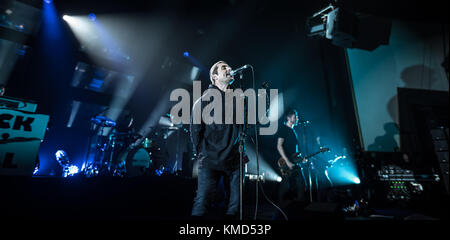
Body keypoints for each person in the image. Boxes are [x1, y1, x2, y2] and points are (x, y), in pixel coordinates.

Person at [190, 60, 242, 219]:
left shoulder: (237, 98)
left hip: (233, 159)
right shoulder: (204, 100)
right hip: (210, 158)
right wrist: (202, 152)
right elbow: (195, 130)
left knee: (235, 206)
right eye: (224, 67)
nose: (230, 68)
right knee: (203, 202)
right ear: (214, 77)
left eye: (229, 66)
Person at [276, 109, 306, 208]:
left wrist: (301, 159)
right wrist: (288, 161)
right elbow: (279, 146)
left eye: (296, 117)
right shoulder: (284, 129)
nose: (297, 118)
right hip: (286, 162)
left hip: (293, 161)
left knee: (299, 184)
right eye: (295, 117)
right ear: (289, 118)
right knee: (287, 184)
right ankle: (282, 207)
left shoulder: (293, 131)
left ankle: (297, 206)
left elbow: (294, 150)